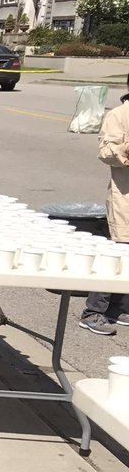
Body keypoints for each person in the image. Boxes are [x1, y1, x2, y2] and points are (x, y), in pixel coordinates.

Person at [80, 78, 129, 335]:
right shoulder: (119, 115)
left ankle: (121, 307)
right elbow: (106, 151)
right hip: (125, 195)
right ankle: (93, 311)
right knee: (118, 251)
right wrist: (125, 150)